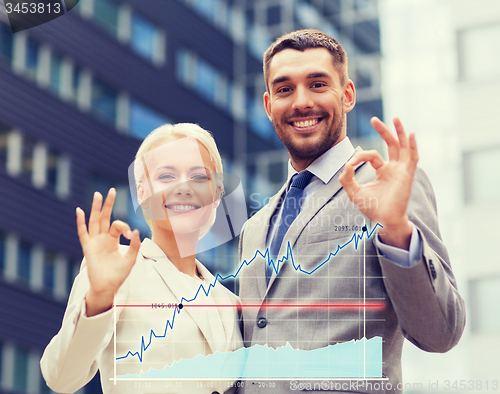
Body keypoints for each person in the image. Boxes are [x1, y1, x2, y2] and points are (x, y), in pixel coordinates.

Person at [237, 29, 465, 393]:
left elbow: (440, 332)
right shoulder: (254, 227)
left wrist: (395, 229)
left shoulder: (387, 184)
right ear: (268, 106)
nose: (300, 102)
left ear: (347, 96)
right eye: (284, 89)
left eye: (317, 84)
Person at [41, 123, 243, 394]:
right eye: (167, 176)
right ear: (142, 193)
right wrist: (100, 297)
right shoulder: (119, 270)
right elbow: (61, 377)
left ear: (217, 194)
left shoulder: (231, 303)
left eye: (198, 177)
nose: (183, 188)